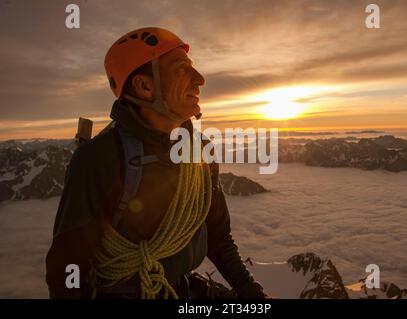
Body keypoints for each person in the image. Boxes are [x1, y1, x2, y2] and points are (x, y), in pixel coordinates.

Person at [45, 27, 267, 299]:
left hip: (179, 289)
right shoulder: (100, 159)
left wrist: (251, 293)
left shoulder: (199, 151)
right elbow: (67, 268)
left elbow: (217, 236)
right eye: (182, 69)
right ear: (144, 86)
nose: (200, 79)